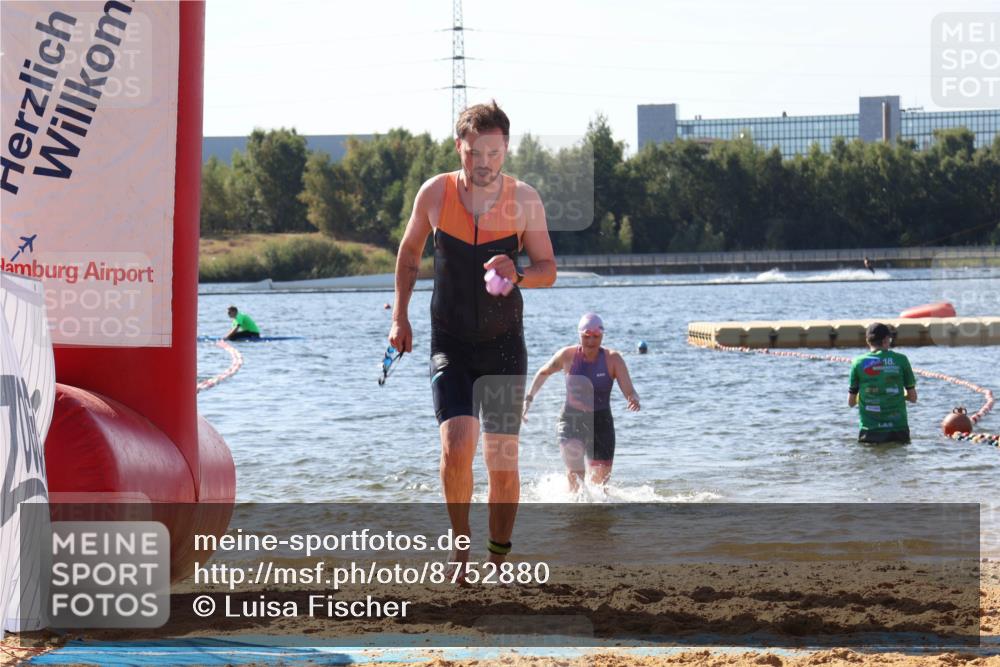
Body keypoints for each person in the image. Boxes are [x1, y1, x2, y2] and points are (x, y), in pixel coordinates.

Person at [388, 101, 556, 574]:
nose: (484, 163)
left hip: (504, 344)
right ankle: (459, 543)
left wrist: (517, 272)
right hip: (451, 341)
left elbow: (548, 269)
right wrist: (400, 317)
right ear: (459, 147)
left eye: (494, 153)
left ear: (505, 150)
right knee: (457, 442)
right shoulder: (435, 194)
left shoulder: (524, 200)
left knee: (501, 459)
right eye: (474, 152)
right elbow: (407, 256)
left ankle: (499, 556)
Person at [522, 313, 640, 492]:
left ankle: (593, 519)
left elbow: (630, 390)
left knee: (600, 487)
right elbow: (543, 372)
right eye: (586, 337)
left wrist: (633, 399)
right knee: (576, 477)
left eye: (596, 337)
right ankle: (574, 514)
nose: (591, 341)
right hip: (571, 420)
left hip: (601, 422)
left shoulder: (613, 359)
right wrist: (528, 399)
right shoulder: (567, 355)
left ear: (602, 336)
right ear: (580, 335)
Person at [848, 322, 917, 444]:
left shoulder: (857, 362)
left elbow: (851, 403)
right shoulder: (901, 360)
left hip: (869, 430)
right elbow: (913, 398)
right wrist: (898, 396)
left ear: (868, 341)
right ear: (886, 340)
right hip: (898, 429)